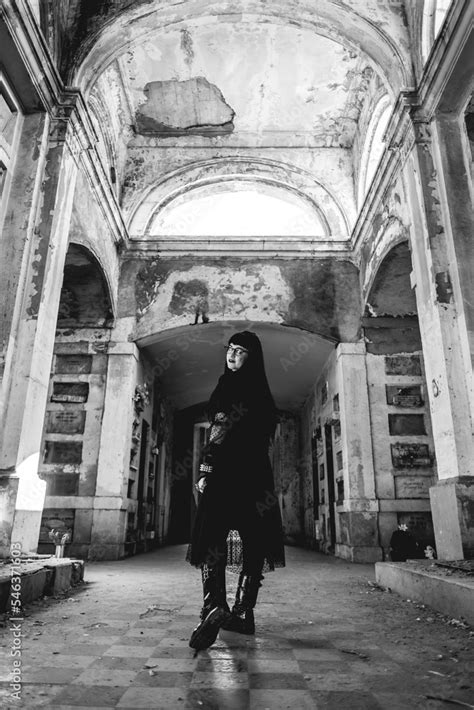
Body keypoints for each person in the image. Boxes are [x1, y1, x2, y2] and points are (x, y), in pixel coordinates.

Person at [186, 330, 285, 651]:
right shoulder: (263, 392)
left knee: (211, 536)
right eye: (229, 349)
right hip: (256, 476)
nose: (231, 355)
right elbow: (264, 433)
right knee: (254, 541)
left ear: (250, 357)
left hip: (227, 474)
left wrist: (205, 469)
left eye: (240, 351)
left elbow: (218, 431)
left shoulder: (228, 386)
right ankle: (243, 614)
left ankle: (213, 606)